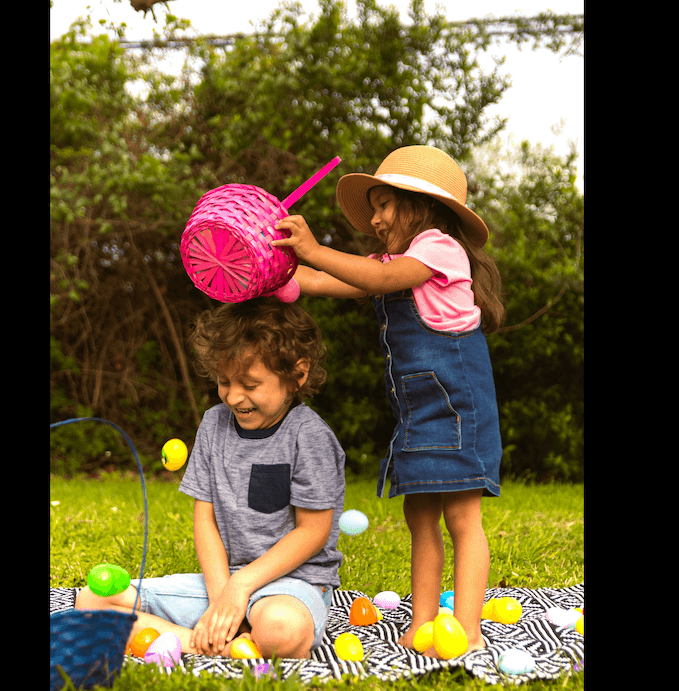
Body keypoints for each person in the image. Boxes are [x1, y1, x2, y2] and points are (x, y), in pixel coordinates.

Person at [270, 144, 504, 657]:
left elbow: (375, 279)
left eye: (383, 205)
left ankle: (466, 627)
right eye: (372, 207)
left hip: (459, 410)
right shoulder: (391, 260)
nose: (373, 219)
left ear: (418, 204)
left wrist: (311, 249)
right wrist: (276, 275)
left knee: (463, 520)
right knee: (420, 519)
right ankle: (424, 621)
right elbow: (329, 279)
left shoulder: (439, 248)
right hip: (418, 413)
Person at [75, 298, 346, 660]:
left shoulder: (308, 435)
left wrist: (242, 586)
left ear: (297, 374)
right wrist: (222, 599)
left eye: (249, 384)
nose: (233, 396)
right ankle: (206, 644)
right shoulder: (213, 424)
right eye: (223, 381)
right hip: (222, 582)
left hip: (290, 587)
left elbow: (313, 531)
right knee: (92, 600)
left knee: (282, 630)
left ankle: (214, 638)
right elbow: (206, 519)